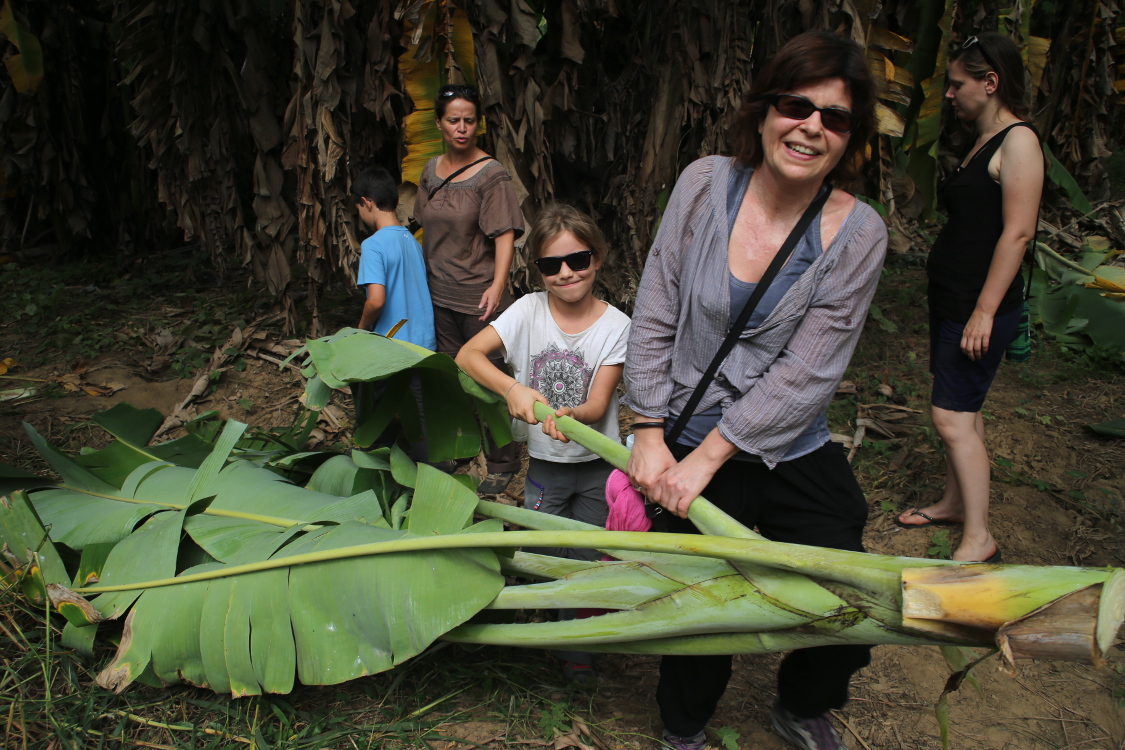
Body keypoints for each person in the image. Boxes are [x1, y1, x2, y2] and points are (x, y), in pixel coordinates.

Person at [623, 31, 886, 750]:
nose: (810, 127)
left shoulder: (857, 233)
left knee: (848, 587)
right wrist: (647, 432)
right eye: (796, 105)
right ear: (765, 110)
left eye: (833, 118)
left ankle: (803, 703)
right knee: (702, 602)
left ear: (848, 138)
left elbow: (807, 372)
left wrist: (703, 461)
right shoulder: (704, 184)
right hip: (679, 428)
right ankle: (684, 727)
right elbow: (654, 310)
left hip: (782, 442)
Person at [456, 203, 630, 684]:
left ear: (597, 259)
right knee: (547, 549)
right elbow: (468, 355)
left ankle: (580, 649)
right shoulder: (528, 311)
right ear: (537, 271)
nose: (566, 273)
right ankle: (547, 624)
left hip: (599, 464)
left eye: (577, 260)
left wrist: (570, 416)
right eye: (551, 265)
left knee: (591, 554)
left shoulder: (617, 326)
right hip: (548, 464)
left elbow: (597, 404)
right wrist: (512, 388)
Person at [895, 33, 1044, 564]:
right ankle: (957, 502)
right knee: (964, 409)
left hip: (979, 308)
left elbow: (1018, 234)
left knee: (950, 418)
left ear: (990, 82)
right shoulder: (985, 139)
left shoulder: (1018, 142)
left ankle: (979, 538)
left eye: (957, 85)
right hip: (956, 299)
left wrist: (984, 310)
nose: (950, 95)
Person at [414, 83, 525, 495]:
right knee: (452, 378)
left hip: (479, 296)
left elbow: (504, 235)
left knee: (490, 379)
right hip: (437, 295)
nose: (462, 128)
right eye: (453, 120)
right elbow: (424, 227)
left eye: (469, 120)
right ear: (440, 124)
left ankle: (502, 460)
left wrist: (498, 286)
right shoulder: (429, 171)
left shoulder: (490, 174)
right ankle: (462, 447)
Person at [350, 166, 436, 462]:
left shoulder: (373, 245)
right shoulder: (411, 240)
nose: (360, 214)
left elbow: (376, 301)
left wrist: (360, 330)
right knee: (422, 410)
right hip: (423, 341)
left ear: (367, 202)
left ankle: (375, 459)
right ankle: (435, 469)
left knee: (370, 401)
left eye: (358, 207)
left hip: (392, 343)